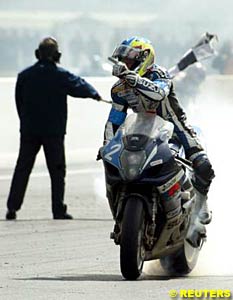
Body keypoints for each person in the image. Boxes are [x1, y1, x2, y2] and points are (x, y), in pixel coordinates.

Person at [102, 36, 215, 224]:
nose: (125, 63)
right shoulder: (119, 88)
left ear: (143, 58)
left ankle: (201, 203)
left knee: (203, 166)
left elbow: (158, 92)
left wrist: (135, 79)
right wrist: (106, 144)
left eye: (130, 59)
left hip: (176, 128)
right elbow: (114, 119)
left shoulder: (159, 74)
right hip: (143, 129)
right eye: (123, 60)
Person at [6, 37, 102, 220]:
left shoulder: (24, 75)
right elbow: (79, 86)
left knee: (22, 169)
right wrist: (94, 95)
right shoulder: (61, 75)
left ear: (38, 54)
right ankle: (58, 209)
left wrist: (26, 122)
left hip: (29, 130)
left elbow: (19, 103)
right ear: (57, 54)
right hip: (53, 132)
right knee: (57, 171)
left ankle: (12, 207)